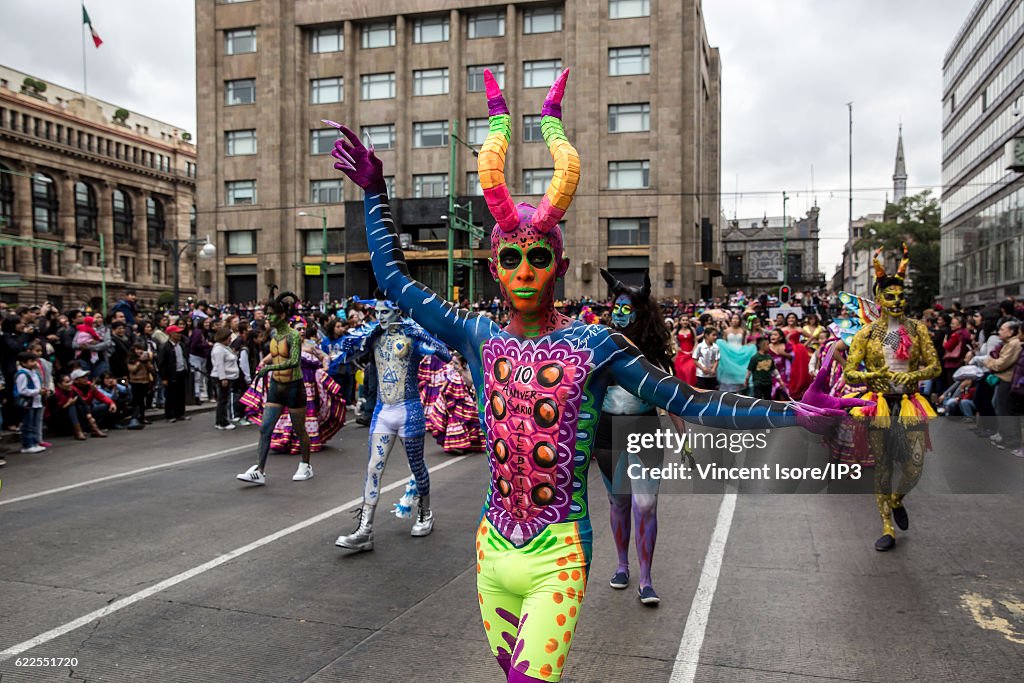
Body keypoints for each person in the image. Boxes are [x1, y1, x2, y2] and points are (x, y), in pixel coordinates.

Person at [328, 68, 860, 682]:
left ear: (561, 263)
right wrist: (374, 193)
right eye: (509, 256)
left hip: (558, 554)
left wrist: (791, 413)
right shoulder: (476, 336)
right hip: (492, 552)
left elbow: (691, 402)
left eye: (537, 256)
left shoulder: (595, 345)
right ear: (495, 267)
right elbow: (393, 279)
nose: (524, 268)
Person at [332, 294, 451, 550]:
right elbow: (345, 355)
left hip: (409, 411)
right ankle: (365, 531)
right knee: (374, 468)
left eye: (385, 312)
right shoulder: (373, 336)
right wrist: (352, 345)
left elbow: (445, 355)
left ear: (398, 312)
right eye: (377, 312)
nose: (380, 317)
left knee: (417, 466)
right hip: (382, 412)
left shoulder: (412, 337)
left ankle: (425, 513)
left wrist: (421, 331)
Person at [845, 246, 940, 551]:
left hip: (910, 402)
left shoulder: (917, 329)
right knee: (883, 465)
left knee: (914, 466)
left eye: (900, 296)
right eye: (890, 296)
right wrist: (869, 377)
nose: (897, 301)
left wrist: (913, 376)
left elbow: (934, 366)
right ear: (880, 300)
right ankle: (887, 527)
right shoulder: (868, 334)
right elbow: (849, 373)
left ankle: (897, 500)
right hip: (880, 404)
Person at [236, 292, 313, 485]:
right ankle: (259, 470)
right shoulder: (274, 335)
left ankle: (306, 464)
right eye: (266, 313)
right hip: (276, 387)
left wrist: (269, 368)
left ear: (281, 316)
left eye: (270, 314)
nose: (267, 317)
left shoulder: (293, 335)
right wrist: (267, 366)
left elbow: (294, 361)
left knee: (299, 429)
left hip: (294, 388)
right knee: (265, 428)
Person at [983, 320, 1022, 451]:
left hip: (1007, 380)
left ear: (1011, 332)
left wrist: (988, 361)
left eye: (1002, 329)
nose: (999, 332)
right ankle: (1005, 436)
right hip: (1002, 380)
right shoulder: (1008, 343)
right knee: (999, 407)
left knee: (1006, 410)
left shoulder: (1014, 344)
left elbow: (1000, 364)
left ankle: (1010, 440)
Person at [14, 351, 47, 453]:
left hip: (36, 402)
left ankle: (34, 442)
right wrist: (37, 392)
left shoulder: (34, 372)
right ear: (24, 363)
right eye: (31, 361)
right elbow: (22, 390)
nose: (34, 363)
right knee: (27, 424)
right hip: (28, 403)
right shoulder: (22, 374)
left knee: (33, 424)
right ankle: (27, 445)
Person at [157, 325, 190, 423]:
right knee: (171, 395)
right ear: (171, 334)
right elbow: (162, 363)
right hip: (171, 374)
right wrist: (164, 377)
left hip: (181, 372)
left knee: (181, 395)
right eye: (177, 333)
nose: (179, 335)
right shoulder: (165, 347)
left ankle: (180, 413)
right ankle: (170, 415)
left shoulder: (181, 345)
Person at [716, 313, 755, 393]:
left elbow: (744, 343)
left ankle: (740, 389)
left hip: (740, 352)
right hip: (729, 353)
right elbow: (724, 343)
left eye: (737, 318)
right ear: (731, 320)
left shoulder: (743, 331)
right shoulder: (726, 331)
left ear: (739, 320)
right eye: (733, 318)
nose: (735, 320)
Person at [211, 326, 240, 431]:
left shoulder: (224, 347)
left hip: (229, 376)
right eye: (229, 337)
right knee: (223, 400)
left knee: (224, 400)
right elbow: (219, 365)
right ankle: (222, 421)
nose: (230, 340)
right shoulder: (219, 349)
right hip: (223, 378)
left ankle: (221, 420)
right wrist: (223, 378)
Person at [125, 341, 154, 429]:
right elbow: (132, 370)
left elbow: (151, 368)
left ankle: (142, 417)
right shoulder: (131, 359)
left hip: (144, 381)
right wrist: (138, 362)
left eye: (141, 349)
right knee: (136, 400)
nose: (139, 351)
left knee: (142, 400)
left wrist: (148, 361)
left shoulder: (145, 359)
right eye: (137, 349)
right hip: (135, 382)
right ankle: (135, 417)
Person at [672, 317, 697, 383]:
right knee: (679, 369)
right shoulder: (676, 331)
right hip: (681, 354)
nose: (685, 322)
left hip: (691, 353)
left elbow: (696, 341)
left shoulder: (692, 329)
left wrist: (693, 351)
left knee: (691, 368)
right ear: (680, 322)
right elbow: (671, 339)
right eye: (683, 320)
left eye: (686, 320)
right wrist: (676, 346)